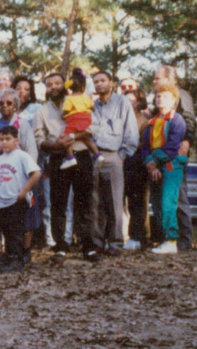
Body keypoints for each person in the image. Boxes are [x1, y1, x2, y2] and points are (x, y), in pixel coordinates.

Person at [34, 72, 101, 263]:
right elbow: (39, 138)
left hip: (81, 155)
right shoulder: (42, 112)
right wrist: (55, 146)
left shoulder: (78, 100)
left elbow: (94, 127)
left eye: (57, 83)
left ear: (65, 85)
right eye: (49, 85)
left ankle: (88, 246)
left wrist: (74, 137)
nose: (54, 87)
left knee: (85, 202)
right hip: (57, 158)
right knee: (58, 203)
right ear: (45, 89)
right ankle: (61, 246)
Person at [91, 71, 140, 256]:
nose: (99, 84)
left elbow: (131, 131)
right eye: (96, 82)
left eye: (103, 80)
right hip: (94, 156)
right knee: (95, 202)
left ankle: (116, 242)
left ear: (111, 82)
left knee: (114, 201)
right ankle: (97, 242)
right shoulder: (92, 106)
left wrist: (122, 155)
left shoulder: (122, 102)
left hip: (114, 155)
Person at [152, 65, 195, 251]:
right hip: (158, 154)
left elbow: (189, 119)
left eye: (157, 78)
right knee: (161, 199)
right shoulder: (157, 98)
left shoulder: (181, 95)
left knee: (178, 197)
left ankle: (185, 241)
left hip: (175, 154)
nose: (154, 81)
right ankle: (167, 239)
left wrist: (187, 140)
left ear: (170, 80)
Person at [142, 84, 187, 255]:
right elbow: (145, 147)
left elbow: (172, 147)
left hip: (171, 166)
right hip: (155, 167)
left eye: (165, 96)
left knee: (168, 202)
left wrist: (154, 160)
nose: (161, 99)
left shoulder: (177, 120)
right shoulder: (151, 122)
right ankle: (163, 240)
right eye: (158, 96)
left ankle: (171, 240)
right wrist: (150, 163)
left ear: (174, 100)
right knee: (158, 204)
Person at [0, 127, 41, 272]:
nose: (4, 143)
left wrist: (24, 190)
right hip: (3, 201)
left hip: (16, 201)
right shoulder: (0, 158)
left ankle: (17, 260)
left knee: (16, 231)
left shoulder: (22, 156)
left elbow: (36, 173)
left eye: (7, 139)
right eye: (1, 140)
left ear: (16, 141)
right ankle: (9, 256)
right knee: (7, 230)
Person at [123, 89, 151, 250]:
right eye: (125, 100)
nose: (128, 103)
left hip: (137, 163)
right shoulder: (121, 118)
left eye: (131, 100)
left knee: (137, 202)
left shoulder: (144, 121)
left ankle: (137, 237)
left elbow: (145, 143)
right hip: (121, 162)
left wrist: (129, 145)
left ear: (139, 102)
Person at [58, 69, 100, 170]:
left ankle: (70, 157)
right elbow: (93, 108)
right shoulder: (85, 98)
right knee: (87, 139)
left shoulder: (69, 98)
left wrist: (62, 116)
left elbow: (66, 110)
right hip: (86, 120)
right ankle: (97, 154)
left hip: (74, 120)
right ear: (83, 87)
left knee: (67, 137)